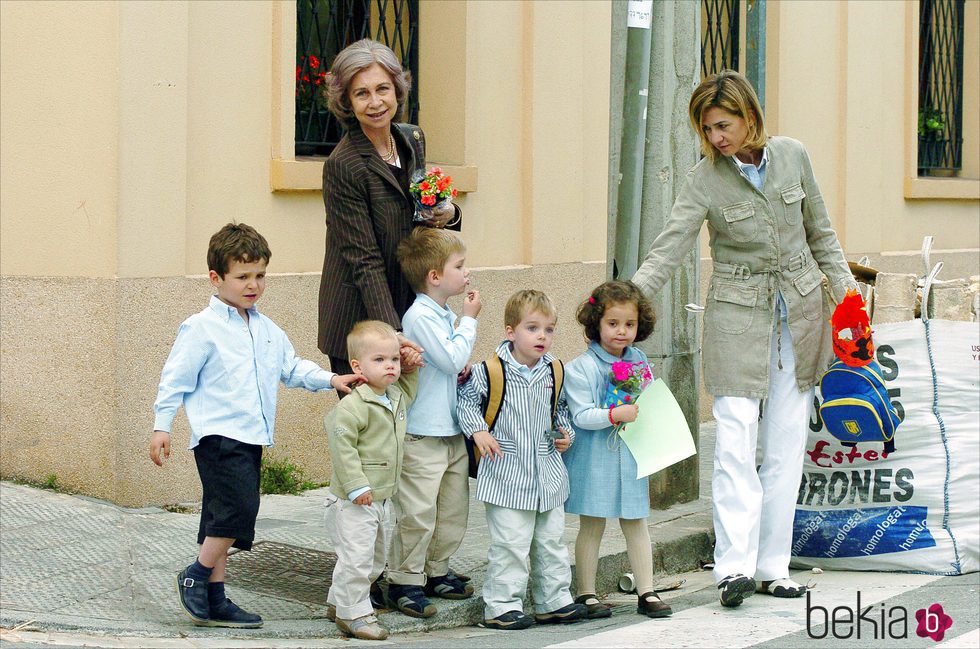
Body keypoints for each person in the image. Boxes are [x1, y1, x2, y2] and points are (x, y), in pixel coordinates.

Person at [630, 70, 857, 607]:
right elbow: (671, 244)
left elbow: (821, 233)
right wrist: (624, 300)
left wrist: (848, 301)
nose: (716, 138)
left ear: (750, 116)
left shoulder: (793, 155)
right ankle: (733, 568)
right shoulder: (704, 178)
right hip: (737, 317)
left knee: (784, 445)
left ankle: (772, 566)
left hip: (801, 316)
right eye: (707, 129)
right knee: (734, 438)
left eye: (723, 125)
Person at [150, 223, 362, 628]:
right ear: (217, 278)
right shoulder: (201, 328)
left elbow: (291, 367)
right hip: (218, 436)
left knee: (217, 517)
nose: (254, 285)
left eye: (260, 275)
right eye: (243, 276)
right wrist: (163, 427)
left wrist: (330, 379)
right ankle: (194, 574)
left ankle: (215, 597)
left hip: (252, 436)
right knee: (238, 510)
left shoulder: (266, 329)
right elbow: (174, 379)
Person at [317, 38, 461, 378]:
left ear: (397, 90)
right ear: (347, 102)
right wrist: (391, 333)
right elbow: (363, 258)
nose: (375, 102)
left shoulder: (412, 139)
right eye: (361, 93)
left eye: (383, 89)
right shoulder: (343, 165)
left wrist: (449, 213)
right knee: (373, 427)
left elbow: (423, 216)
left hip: (411, 304)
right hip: (362, 320)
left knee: (414, 425)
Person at [457, 290, 587, 630]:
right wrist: (478, 431)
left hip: (548, 474)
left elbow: (560, 411)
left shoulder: (555, 370)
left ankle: (553, 599)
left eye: (549, 329)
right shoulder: (490, 371)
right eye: (532, 328)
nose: (542, 336)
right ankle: (501, 605)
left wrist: (565, 435)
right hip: (507, 475)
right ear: (510, 331)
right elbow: (465, 402)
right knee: (511, 545)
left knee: (551, 542)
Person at [384, 227, 481, 618]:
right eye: (459, 266)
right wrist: (469, 321)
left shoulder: (441, 314)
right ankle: (404, 579)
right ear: (434, 276)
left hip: (451, 427)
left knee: (452, 507)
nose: (467, 273)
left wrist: (458, 365)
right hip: (423, 432)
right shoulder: (420, 316)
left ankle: (436, 569)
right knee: (418, 511)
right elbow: (451, 358)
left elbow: (449, 366)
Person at [562, 280, 673, 620]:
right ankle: (585, 592)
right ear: (596, 323)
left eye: (630, 324)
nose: (621, 332)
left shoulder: (638, 360)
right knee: (592, 523)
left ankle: (647, 590)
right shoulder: (581, 368)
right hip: (594, 457)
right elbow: (581, 416)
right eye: (613, 323)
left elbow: (648, 401)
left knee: (636, 521)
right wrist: (614, 414)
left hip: (630, 454)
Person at [323, 320, 419, 641]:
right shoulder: (354, 405)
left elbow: (408, 390)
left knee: (375, 558)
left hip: (382, 497)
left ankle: (339, 602)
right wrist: (356, 485)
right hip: (355, 500)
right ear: (357, 365)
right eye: (379, 360)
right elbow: (342, 444)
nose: (390, 366)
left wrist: (411, 367)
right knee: (358, 558)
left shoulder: (393, 397)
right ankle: (356, 615)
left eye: (393, 359)